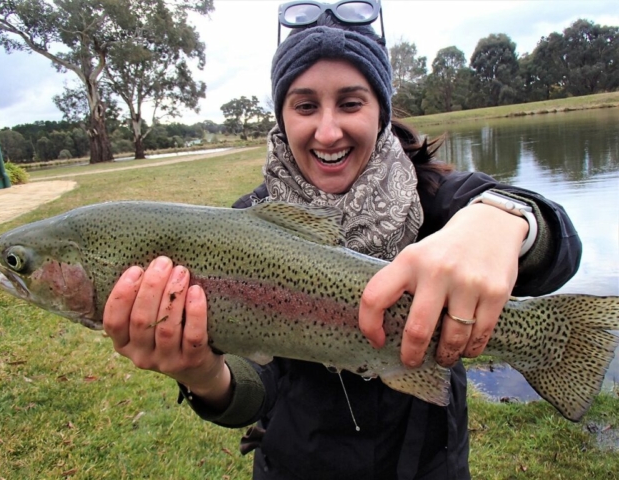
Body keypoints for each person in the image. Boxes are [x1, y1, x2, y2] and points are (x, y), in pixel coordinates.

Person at [102, 2, 581, 479]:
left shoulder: (440, 199)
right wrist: (202, 376)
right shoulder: (246, 228)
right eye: (306, 105)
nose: (328, 131)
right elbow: (254, 389)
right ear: (282, 117)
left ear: (380, 112)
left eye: (350, 103)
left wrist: (504, 220)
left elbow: (557, 249)